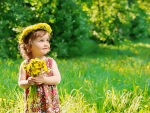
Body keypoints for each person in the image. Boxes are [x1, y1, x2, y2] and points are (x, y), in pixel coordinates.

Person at [18, 23, 61, 113]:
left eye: (47, 40)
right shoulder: (25, 64)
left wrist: (44, 79)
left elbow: (57, 79)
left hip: (49, 100)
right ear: (29, 45)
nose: (46, 43)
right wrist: (28, 82)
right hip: (33, 102)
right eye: (41, 41)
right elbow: (21, 83)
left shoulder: (50, 62)